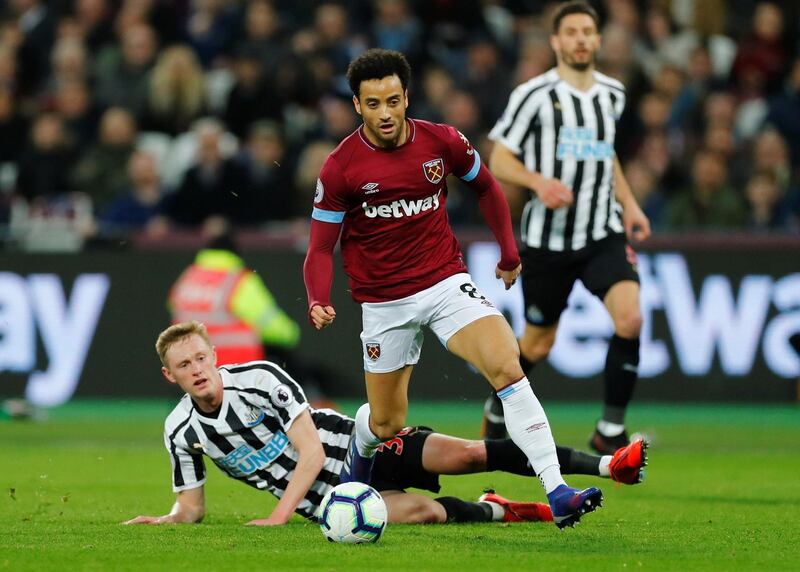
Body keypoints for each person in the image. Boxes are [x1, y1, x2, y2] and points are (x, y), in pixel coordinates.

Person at [302, 47, 602, 529]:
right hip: (384, 302)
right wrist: (318, 298)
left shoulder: (441, 142)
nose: (385, 113)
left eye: (393, 101)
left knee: (506, 363)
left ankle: (557, 490)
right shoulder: (341, 168)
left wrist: (508, 251)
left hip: (444, 281)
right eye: (373, 104)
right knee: (385, 424)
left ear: (407, 97)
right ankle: (359, 461)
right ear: (357, 106)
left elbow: (486, 186)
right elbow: (320, 248)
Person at [123, 322, 647, 527]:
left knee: (469, 453)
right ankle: (505, 511)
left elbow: (309, 453)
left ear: (214, 356)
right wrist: (168, 520)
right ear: (171, 377)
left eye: (201, 359)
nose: (197, 371)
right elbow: (191, 506)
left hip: (360, 453)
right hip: (332, 504)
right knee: (425, 512)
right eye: (184, 366)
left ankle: (605, 463)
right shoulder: (181, 432)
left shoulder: (259, 379)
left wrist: (279, 515)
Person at [484, 1, 651, 455]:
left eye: (587, 31)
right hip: (547, 242)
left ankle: (610, 429)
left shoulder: (612, 94)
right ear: (556, 41)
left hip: (602, 232)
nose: (580, 39)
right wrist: (538, 182)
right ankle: (498, 407)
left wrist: (630, 206)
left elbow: (605, 154)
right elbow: (499, 157)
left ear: (597, 40)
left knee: (631, 318)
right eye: (571, 32)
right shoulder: (533, 95)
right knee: (537, 344)